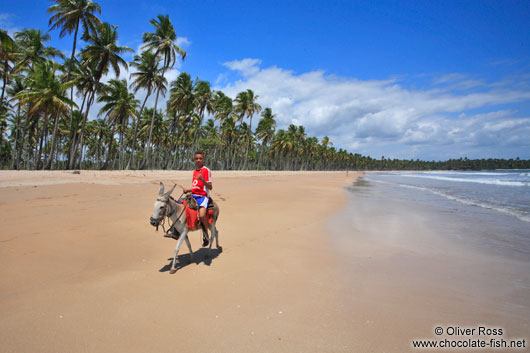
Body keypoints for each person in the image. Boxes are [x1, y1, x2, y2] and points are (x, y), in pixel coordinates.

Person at [184, 151, 212, 246]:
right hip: (194, 195)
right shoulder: (194, 171)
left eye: (200, 158)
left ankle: (206, 235)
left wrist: (202, 179)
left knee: (202, 215)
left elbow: (210, 187)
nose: (198, 160)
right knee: (179, 204)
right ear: (194, 160)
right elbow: (196, 187)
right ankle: (176, 231)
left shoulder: (206, 170)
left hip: (203, 196)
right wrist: (188, 190)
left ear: (203, 159)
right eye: (196, 158)